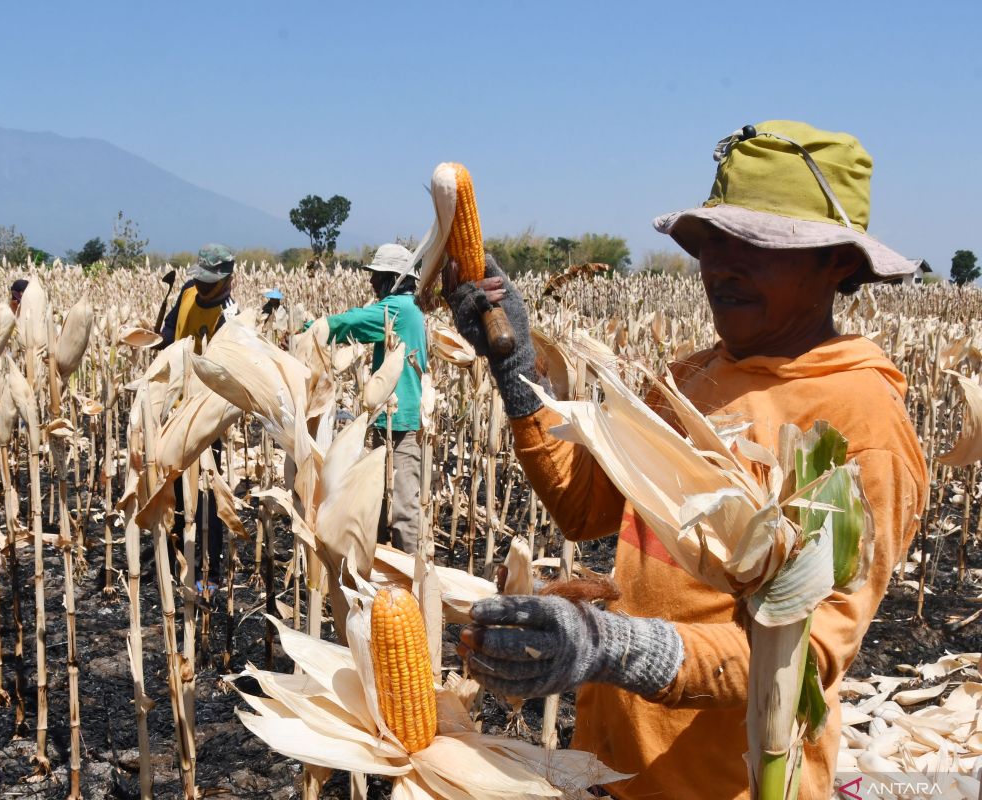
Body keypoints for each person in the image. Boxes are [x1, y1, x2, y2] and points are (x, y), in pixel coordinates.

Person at [448, 121, 928, 800]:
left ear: (840, 264)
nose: (724, 266)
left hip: (732, 783)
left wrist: (613, 647)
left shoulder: (858, 420)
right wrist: (516, 367)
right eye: (714, 242)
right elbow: (586, 508)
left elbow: (808, 655)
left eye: (758, 246)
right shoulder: (692, 377)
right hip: (613, 767)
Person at [316, 244, 428, 554]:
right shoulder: (407, 307)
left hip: (400, 421)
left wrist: (314, 330)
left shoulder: (400, 309)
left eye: (376, 277)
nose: (370, 283)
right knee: (375, 504)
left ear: (393, 279)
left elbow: (352, 323)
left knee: (403, 510)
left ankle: (409, 583)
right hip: (388, 418)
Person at [157, 244, 237, 593]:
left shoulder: (230, 316)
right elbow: (167, 335)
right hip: (175, 408)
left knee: (206, 490)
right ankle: (179, 557)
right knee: (174, 484)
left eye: (210, 283)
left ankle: (210, 571)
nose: (203, 288)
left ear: (228, 280)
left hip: (207, 415)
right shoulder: (188, 292)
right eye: (201, 281)